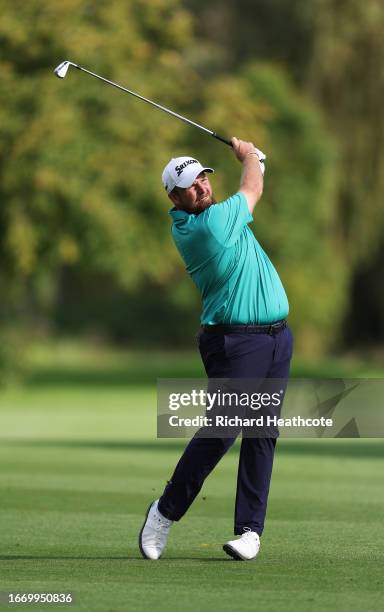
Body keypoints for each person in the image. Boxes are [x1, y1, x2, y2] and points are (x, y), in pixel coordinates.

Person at [139, 138, 293, 560]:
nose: (203, 187)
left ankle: (249, 531)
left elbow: (250, 188)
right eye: (192, 184)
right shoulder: (206, 227)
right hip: (236, 342)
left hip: (277, 338)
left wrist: (256, 161)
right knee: (222, 431)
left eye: (204, 177)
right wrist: (250, 156)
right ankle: (164, 513)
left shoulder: (221, 216)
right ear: (174, 197)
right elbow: (253, 189)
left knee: (263, 433)